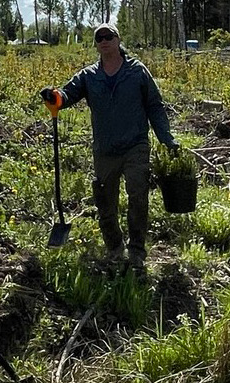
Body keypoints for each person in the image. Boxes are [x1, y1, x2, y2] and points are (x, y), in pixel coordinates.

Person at [40, 21, 179, 268]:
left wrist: (166, 139)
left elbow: (155, 106)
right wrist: (55, 97)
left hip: (136, 145)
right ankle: (115, 248)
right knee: (105, 201)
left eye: (109, 36)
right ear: (96, 44)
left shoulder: (137, 71)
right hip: (105, 149)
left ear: (118, 39)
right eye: (99, 38)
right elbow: (67, 95)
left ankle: (136, 250)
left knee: (138, 195)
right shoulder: (89, 76)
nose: (104, 41)